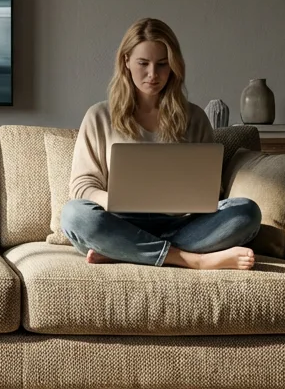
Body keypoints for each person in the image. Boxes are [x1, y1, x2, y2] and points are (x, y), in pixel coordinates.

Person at [60, 18, 261, 270]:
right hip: (118, 223)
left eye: (162, 65)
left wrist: (190, 202)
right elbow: (81, 187)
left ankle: (126, 250)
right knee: (74, 216)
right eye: (143, 63)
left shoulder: (195, 117)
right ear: (126, 62)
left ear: (174, 67)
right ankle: (191, 260)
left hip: (180, 225)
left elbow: (212, 191)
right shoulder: (99, 116)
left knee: (247, 212)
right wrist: (113, 199)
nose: (153, 74)